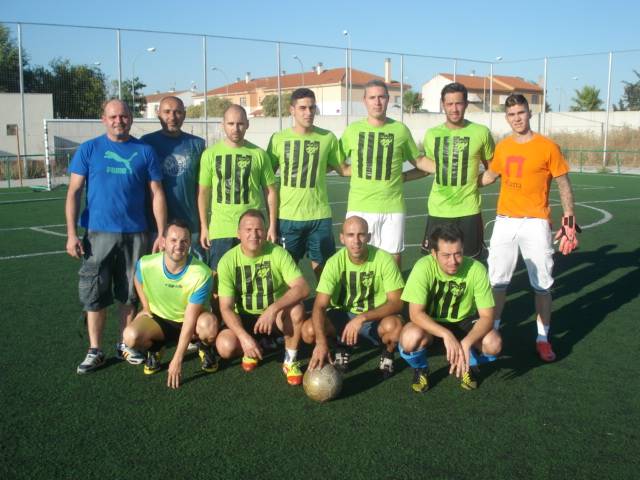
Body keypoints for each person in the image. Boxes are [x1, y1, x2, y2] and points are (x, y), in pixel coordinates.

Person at [66, 99, 167, 374]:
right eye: (113, 116)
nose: (118, 121)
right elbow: (74, 191)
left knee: (130, 294)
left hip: (136, 234)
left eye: (123, 116)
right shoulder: (89, 149)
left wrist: (160, 232)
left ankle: (125, 344)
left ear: (131, 119)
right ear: (103, 119)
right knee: (95, 293)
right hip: (98, 235)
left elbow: (156, 192)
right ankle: (95, 350)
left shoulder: (144, 151)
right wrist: (72, 233)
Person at [480, 94, 580, 362]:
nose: (517, 118)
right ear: (506, 118)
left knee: (542, 285)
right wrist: (460, 181)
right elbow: (489, 176)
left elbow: (563, 183)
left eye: (521, 113)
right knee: (497, 282)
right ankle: (492, 329)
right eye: (512, 114)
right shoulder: (503, 147)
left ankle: (543, 339)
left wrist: (569, 217)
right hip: (505, 221)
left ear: (529, 113)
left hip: (536, 222)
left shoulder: (548, 147)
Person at [399, 224, 501, 393]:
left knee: (493, 344)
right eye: (446, 255)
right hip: (431, 324)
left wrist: (467, 342)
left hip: (464, 322)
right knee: (410, 338)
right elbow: (415, 314)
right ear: (434, 253)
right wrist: (446, 334)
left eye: (458, 254)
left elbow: (487, 317)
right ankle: (421, 368)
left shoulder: (477, 269)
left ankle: (469, 362)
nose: (453, 261)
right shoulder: (423, 267)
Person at [215, 209, 310, 386]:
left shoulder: (278, 253)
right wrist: (243, 337)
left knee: (297, 309)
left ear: (265, 232)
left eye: (258, 229)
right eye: (248, 230)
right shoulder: (227, 261)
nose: (254, 235)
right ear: (238, 233)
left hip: (274, 317)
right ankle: (254, 346)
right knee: (225, 346)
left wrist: (272, 309)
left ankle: (290, 360)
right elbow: (226, 307)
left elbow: (303, 287)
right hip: (245, 318)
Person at [304, 216, 405, 379]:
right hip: (342, 317)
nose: (356, 241)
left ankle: (388, 352)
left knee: (396, 327)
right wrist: (321, 342)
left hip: (374, 319)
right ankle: (341, 346)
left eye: (361, 235)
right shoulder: (334, 263)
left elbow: (397, 302)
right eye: (350, 235)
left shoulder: (384, 259)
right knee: (309, 331)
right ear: (342, 238)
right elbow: (319, 305)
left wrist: (362, 317)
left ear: (369, 237)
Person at [122, 219, 219, 388]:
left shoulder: (201, 273)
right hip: (160, 321)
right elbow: (138, 279)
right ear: (163, 242)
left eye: (184, 241)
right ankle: (157, 347)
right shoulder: (147, 263)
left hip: (190, 322)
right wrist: (146, 306)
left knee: (209, 326)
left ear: (189, 244)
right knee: (130, 336)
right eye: (173, 240)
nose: (179, 246)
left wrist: (177, 359)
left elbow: (190, 319)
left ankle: (204, 347)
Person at [267, 88, 350, 278]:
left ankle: (324, 299)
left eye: (312, 108)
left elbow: (343, 169)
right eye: (303, 108)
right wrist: (271, 221)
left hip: (319, 216)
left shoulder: (327, 138)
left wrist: (370, 167)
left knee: (325, 272)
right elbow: (267, 178)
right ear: (292, 110)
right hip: (288, 217)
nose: (308, 113)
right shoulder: (278, 139)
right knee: (284, 273)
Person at [340, 79, 421, 267]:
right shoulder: (353, 130)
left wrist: (441, 166)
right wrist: (349, 170)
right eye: (372, 97)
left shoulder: (400, 130)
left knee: (393, 259)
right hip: (360, 206)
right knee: (359, 259)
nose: (377, 102)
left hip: (392, 208)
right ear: (364, 101)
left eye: (381, 97)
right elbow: (337, 161)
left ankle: (393, 289)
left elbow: (419, 161)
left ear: (388, 99)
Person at [418, 82, 495, 259]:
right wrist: (402, 177)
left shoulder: (481, 132)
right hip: (438, 210)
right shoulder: (431, 134)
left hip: (468, 211)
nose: (454, 109)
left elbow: (492, 169)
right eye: (450, 104)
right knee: (436, 262)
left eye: (459, 103)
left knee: (470, 261)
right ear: (443, 104)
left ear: (466, 104)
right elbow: (429, 167)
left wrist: (471, 183)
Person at [197, 105, 277, 272]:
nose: (236, 128)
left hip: (252, 230)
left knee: (251, 278)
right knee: (218, 278)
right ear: (223, 125)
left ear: (247, 124)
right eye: (231, 124)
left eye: (240, 124)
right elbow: (203, 193)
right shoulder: (210, 154)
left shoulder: (259, 154)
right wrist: (204, 226)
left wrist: (271, 225)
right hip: (221, 230)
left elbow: (270, 192)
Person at [141, 96, 207, 260]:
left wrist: (203, 224)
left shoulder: (198, 144)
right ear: (158, 114)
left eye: (177, 112)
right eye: (167, 112)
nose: (172, 117)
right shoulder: (146, 143)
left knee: (194, 273)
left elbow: (202, 189)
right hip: (156, 228)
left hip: (191, 226)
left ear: (184, 114)